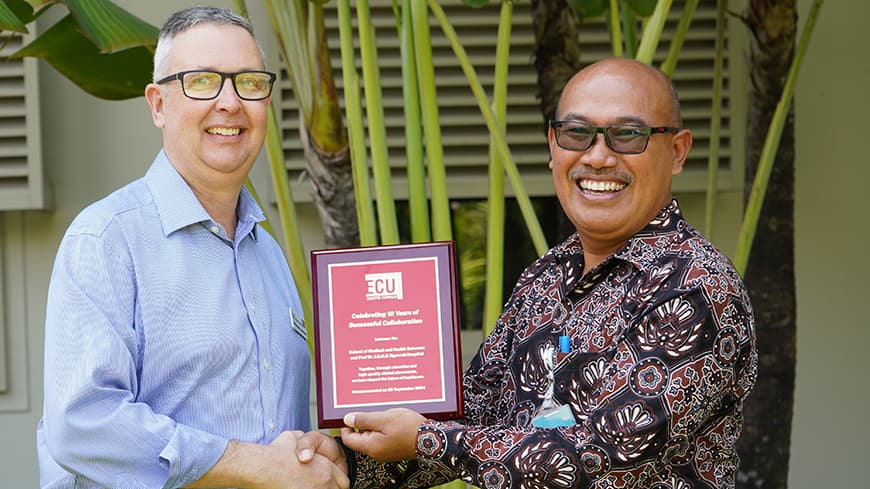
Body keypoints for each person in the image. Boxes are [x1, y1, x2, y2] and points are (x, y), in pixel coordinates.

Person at [298, 57, 758, 488]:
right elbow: (476, 411)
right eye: (577, 133)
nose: (597, 157)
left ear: (677, 151)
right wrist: (347, 466)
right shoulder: (546, 276)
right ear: (552, 146)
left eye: (628, 135)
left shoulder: (697, 288)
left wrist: (427, 440)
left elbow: (595, 453)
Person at [36, 6, 347, 489]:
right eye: (202, 81)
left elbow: (273, 436)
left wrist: (312, 450)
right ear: (158, 104)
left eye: (248, 81)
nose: (229, 102)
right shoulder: (106, 240)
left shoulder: (266, 253)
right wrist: (255, 465)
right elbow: (82, 425)